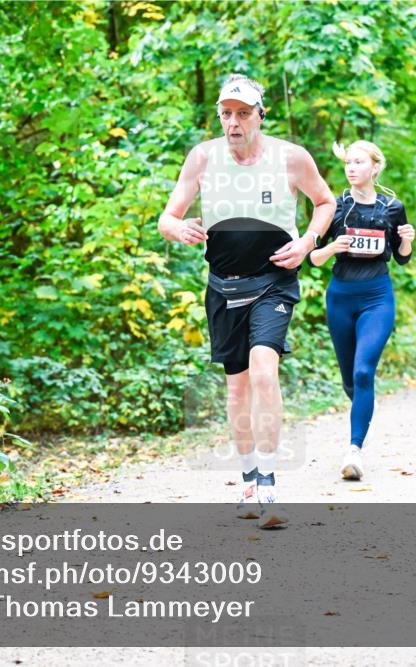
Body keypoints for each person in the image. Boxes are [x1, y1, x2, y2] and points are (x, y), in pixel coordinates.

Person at [158, 74, 335, 528]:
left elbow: (324, 202)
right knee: (236, 387)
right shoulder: (203, 158)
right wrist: (177, 229)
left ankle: (271, 482)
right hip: (223, 286)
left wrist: (308, 241)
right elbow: (167, 216)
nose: (233, 122)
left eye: (242, 113)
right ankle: (249, 481)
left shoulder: (291, 158)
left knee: (263, 370)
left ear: (260, 114)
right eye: (225, 114)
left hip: (273, 282)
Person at [308, 141, 414, 481]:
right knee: (350, 380)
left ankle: (353, 451)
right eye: (348, 162)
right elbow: (312, 256)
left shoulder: (392, 207)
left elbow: (401, 257)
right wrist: (332, 249)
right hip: (340, 296)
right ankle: (362, 403)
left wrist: (407, 240)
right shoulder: (335, 206)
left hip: (377, 297)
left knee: (364, 372)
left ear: (375, 168)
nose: (351, 168)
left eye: (358, 162)